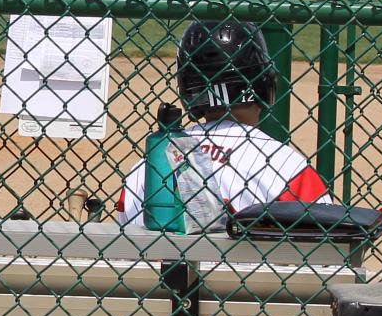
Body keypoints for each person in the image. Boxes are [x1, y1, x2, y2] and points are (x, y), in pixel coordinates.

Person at [112, 20, 332, 228]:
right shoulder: (285, 166)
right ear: (263, 81)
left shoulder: (149, 165)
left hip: (156, 266)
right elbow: (327, 246)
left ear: (188, 87)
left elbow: (126, 226)